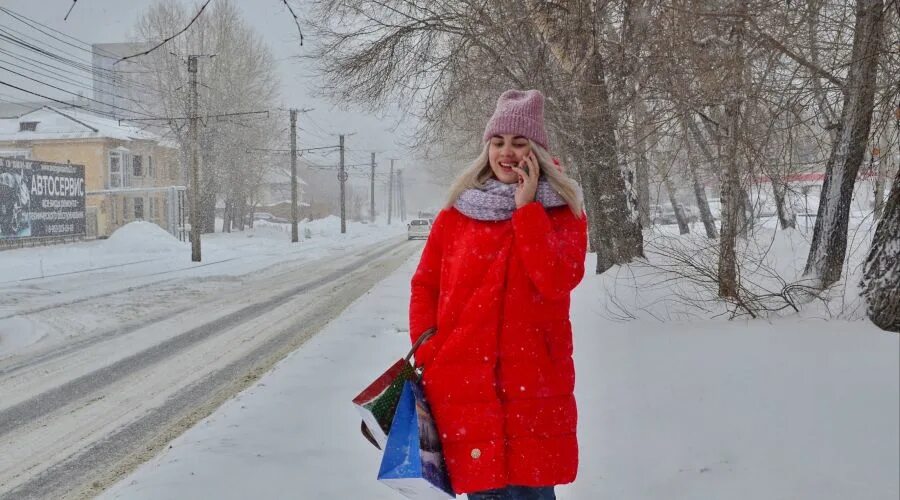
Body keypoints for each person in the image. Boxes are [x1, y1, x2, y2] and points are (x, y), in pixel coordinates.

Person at [408, 89, 587, 500]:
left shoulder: (563, 211)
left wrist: (527, 210)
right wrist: (431, 350)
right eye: (498, 142)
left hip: (534, 388)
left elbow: (557, 279)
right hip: (463, 384)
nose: (506, 152)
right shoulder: (457, 212)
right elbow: (425, 285)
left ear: (536, 150)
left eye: (519, 142)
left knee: (532, 491)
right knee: (484, 492)